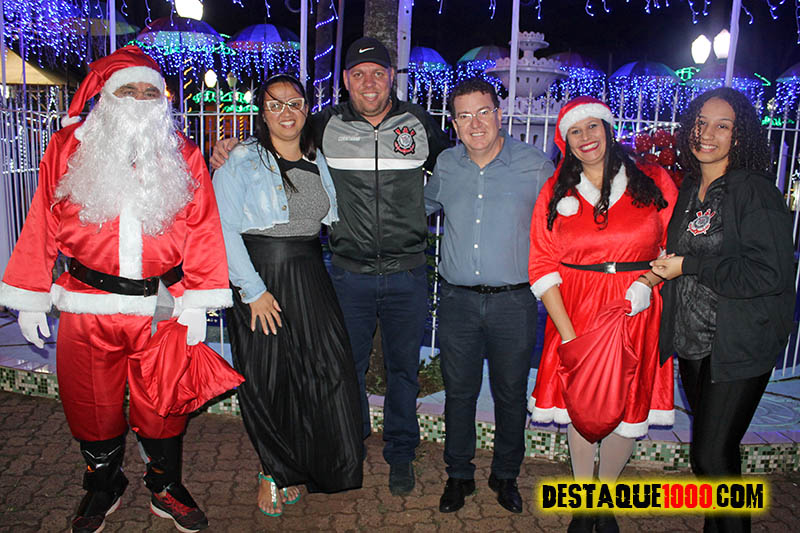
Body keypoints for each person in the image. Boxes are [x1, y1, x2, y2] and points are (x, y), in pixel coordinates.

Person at [0, 46, 232, 533]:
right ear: (106, 96)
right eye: (129, 90)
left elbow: (204, 227)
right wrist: (29, 294)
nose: (141, 99)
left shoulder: (183, 153)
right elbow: (42, 219)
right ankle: (103, 484)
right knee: (91, 402)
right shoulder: (67, 147)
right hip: (87, 304)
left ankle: (165, 486)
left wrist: (200, 299)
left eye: (151, 92)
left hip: (162, 307)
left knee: (163, 402)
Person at [210, 36, 449, 495]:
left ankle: (401, 452)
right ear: (345, 80)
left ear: (391, 76)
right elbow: (277, 138)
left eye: (377, 73)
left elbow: (454, 167)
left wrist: (421, 211)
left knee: (403, 370)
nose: (369, 82)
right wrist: (226, 147)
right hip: (347, 272)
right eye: (358, 74)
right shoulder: (324, 124)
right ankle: (348, 444)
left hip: (406, 271)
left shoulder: (418, 122)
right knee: (341, 369)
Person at [213, 74, 363, 516]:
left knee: (327, 370)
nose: (285, 112)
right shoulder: (241, 159)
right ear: (262, 113)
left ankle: (313, 465)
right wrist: (253, 291)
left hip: (310, 274)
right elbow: (223, 229)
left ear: (306, 108)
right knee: (269, 378)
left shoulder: (319, 159)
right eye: (275, 104)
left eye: (294, 102)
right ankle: (272, 471)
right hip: (261, 277)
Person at [527, 97, 677, 533]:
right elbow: (541, 264)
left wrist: (648, 281)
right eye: (575, 130)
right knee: (583, 403)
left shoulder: (654, 180)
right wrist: (568, 336)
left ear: (608, 130)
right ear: (565, 141)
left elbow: (675, 246)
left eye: (593, 126)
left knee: (627, 403)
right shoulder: (555, 191)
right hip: (576, 312)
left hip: (636, 309)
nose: (586, 137)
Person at [651, 87, 794, 533]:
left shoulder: (753, 191)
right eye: (701, 123)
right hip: (695, 341)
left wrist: (689, 266)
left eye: (722, 125)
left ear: (740, 134)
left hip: (738, 343)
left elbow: (769, 273)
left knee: (710, 457)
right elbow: (683, 253)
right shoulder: (691, 187)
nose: (707, 134)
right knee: (719, 456)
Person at [424, 78, 553, 514]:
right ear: (454, 122)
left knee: (511, 395)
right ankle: (459, 475)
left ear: (499, 115)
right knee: (459, 393)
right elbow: (418, 208)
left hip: (513, 303)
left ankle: (505, 475)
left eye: (483, 112)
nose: (475, 124)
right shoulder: (446, 165)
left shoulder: (535, 166)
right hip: (457, 301)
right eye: (464, 115)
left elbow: (563, 222)